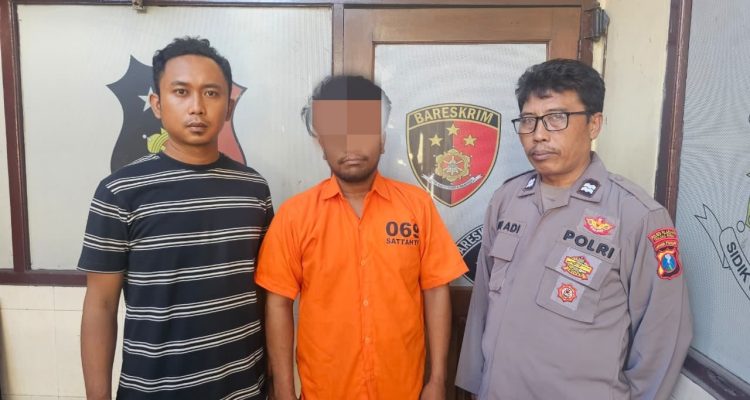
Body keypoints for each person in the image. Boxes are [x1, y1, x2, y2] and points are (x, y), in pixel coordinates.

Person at [455, 59, 693, 400]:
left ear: (594, 124)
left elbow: (663, 336)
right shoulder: (507, 199)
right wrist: (474, 385)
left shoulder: (637, 216)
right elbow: (482, 305)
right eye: (528, 120)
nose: (538, 134)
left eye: (556, 118)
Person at [79, 37, 272, 399]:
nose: (197, 107)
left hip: (244, 389)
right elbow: (100, 306)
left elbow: (263, 293)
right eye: (181, 92)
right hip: (155, 390)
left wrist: (273, 381)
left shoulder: (254, 189)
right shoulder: (119, 192)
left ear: (229, 107)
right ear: (157, 104)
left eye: (211, 93)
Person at [255, 75, 467, 400]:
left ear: (382, 139)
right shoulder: (295, 215)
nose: (350, 144)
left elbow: (436, 290)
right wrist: (283, 389)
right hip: (325, 391)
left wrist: (437, 379)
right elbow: (278, 303)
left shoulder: (417, 206)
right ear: (321, 143)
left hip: (403, 390)